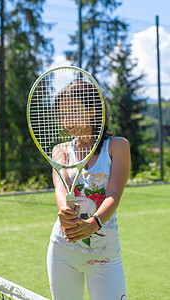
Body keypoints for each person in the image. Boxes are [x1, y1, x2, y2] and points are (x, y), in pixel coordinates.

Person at [47, 80, 131, 300]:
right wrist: (66, 213)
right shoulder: (60, 151)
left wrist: (94, 224)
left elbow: (114, 194)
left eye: (73, 111)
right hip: (63, 251)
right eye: (63, 114)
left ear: (93, 110)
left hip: (105, 255)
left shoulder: (118, 146)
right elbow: (59, 187)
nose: (67, 120)